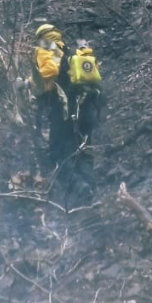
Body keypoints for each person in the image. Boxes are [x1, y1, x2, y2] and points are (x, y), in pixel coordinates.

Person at [56, 39, 104, 199]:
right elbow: (102, 96)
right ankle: (90, 186)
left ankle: (79, 186)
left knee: (68, 150)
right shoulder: (89, 66)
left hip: (74, 115)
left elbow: (61, 91)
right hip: (89, 114)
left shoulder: (65, 64)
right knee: (86, 149)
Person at [27, 24, 66, 139]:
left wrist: (32, 81)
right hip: (61, 90)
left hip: (48, 90)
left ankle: (43, 140)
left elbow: (52, 69)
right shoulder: (59, 48)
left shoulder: (44, 49)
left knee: (45, 119)